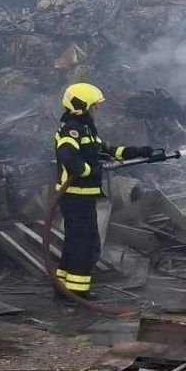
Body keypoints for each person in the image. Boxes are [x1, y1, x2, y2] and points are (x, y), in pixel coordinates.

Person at [54, 83, 153, 298]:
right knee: (85, 242)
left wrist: (136, 152)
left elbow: (106, 150)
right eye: (94, 106)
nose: (96, 110)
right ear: (81, 105)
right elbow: (69, 158)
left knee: (75, 240)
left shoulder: (87, 129)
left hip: (82, 196)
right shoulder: (71, 129)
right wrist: (90, 169)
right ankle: (77, 292)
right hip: (74, 195)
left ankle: (63, 288)